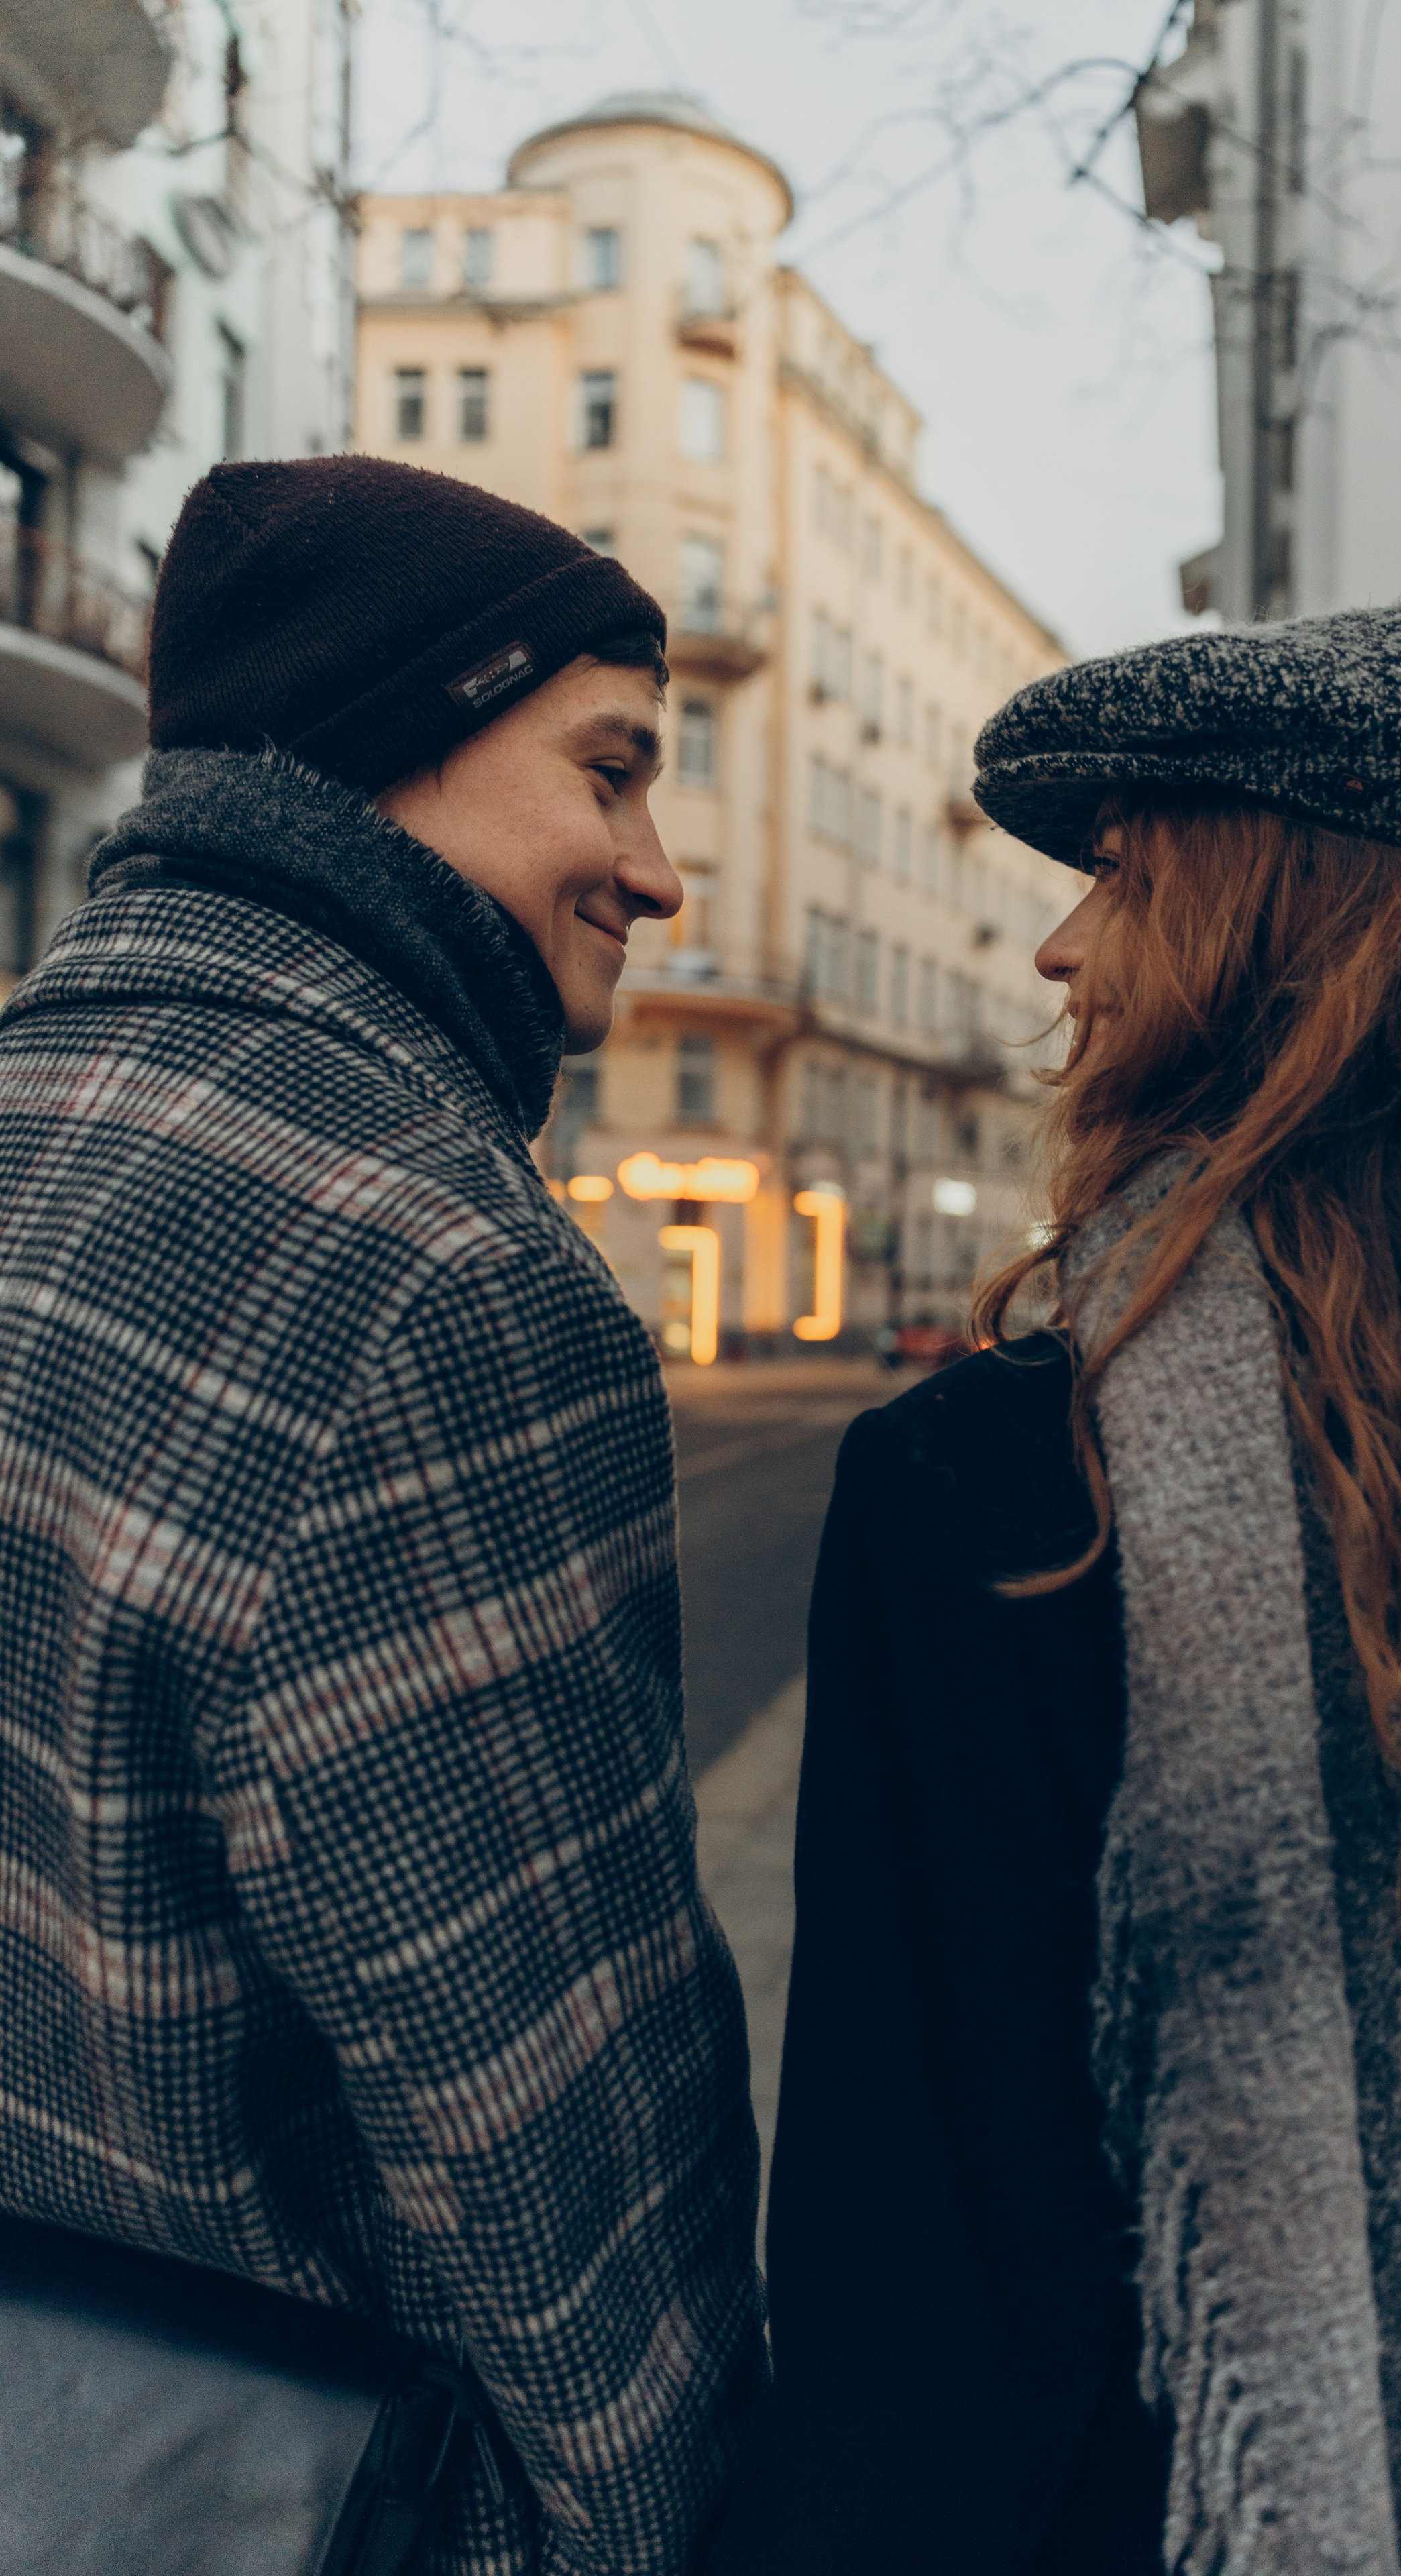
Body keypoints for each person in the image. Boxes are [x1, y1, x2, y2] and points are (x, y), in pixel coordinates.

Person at [724, 607, 1401, 2575]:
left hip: (1192, 2499)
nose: (1060, 949)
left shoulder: (1009, 1488)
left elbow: (920, 2239)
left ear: (1281, 934)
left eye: (1119, 875)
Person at [0, 457, 765, 2575]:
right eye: (609, 771)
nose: (655, 870)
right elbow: (546, 2135)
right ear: (389, 736)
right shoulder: (437, 1272)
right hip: (309, 2503)